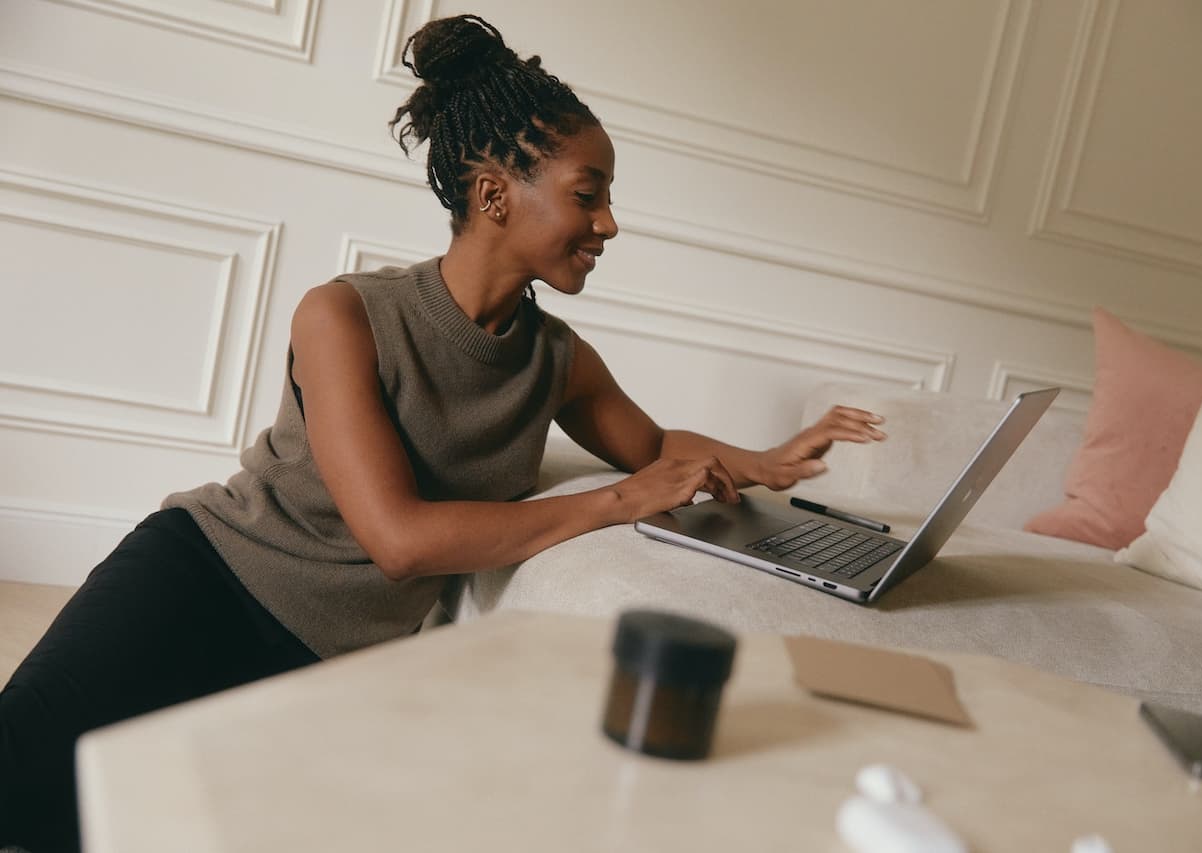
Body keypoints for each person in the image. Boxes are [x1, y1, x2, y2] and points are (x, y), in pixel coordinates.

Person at [0, 14, 886, 852]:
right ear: (495, 194)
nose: (610, 224)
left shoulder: (556, 359)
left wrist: (768, 462)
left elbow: (653, 446)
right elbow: (399, 541)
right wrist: (621, 502)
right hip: (202, 582)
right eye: (590, 194)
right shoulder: (343, 316)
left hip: (325, 665)